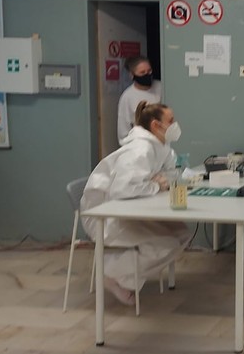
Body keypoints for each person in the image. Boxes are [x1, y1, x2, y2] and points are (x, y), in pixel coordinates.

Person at [81, 101, 189, 305]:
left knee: (181, 233)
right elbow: (122, 190)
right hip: (106, 218)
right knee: (165, 245)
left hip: (130, 209)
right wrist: (155, 185)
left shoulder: (161, 145)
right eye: (171, 120)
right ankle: (110, 272)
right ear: (156, 125)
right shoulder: (140, 150)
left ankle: (124, 277)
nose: (175, 124)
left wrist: (158, 181)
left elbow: (170, 171)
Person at [117, 56, 161, 144]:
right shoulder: (127, 97)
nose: (147, 74)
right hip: (142, 144)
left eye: (149, 71)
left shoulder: (161, 87)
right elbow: (123, 131)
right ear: (132, 75)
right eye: (142, 72)